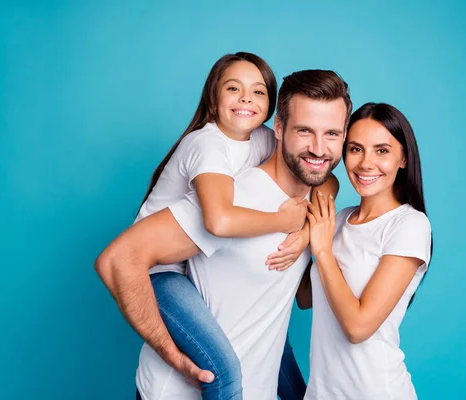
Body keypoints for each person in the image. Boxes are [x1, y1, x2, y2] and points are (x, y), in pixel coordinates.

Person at [95, 69, 352, 399]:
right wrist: (170, 353)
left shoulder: (316, 197)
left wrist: (313, 238)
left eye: (332, 133)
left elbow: (300, 297)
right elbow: (118, 259)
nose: (319, 148)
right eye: (304, 131)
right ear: (278, 128)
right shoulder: (234, 200)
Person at [300, 103, 432, 400]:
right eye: (356, 149)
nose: (365, 163)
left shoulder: (409, 224)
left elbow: (358, 328)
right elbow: (305, 298)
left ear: (403, 159)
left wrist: (322, 252)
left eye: (382, 151)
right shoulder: (339, 219)